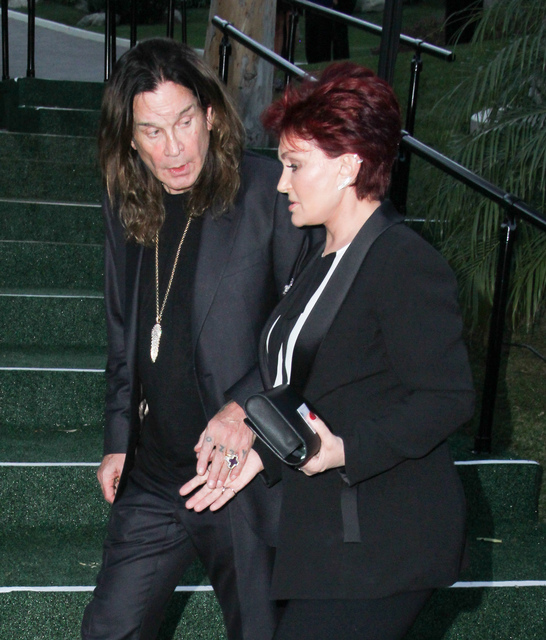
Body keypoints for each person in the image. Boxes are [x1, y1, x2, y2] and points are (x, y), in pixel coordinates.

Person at [182, 62, 475, 640]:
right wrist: (266, 452)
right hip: (331, 539)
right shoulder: (321, 260)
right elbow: (324, 384)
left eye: (294, 165)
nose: (281, 183)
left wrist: (345, 449)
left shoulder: (402, 260)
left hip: (386, 539)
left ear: (348, 167)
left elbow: (447, 398)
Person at [81, 37, 317, 640]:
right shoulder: (125, 200)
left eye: (185, 121)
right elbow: (122, 328)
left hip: (237, 473)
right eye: (152, 131)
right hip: (154, 472)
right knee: (110, 628)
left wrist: (245, 410)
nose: (174, 148)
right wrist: (117, 438)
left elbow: (309, 325)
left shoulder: (269, 192)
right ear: (130, 139)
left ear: (210, 115)